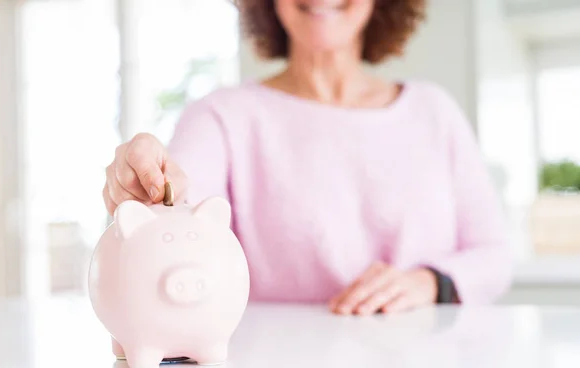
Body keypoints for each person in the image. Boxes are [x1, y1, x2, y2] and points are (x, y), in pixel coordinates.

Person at [102, 0, 513, 315]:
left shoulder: (433, 111)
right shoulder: (221, 116)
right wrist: (146, 187)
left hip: (428, 367)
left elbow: (493, 255)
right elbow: (180, 205)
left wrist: (430, 283)